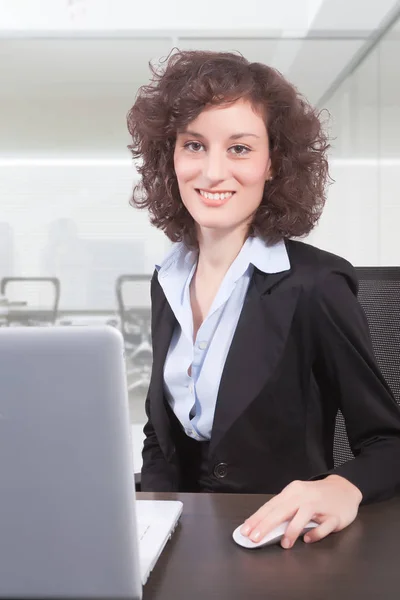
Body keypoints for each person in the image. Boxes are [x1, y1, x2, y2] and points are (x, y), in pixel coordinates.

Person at [127, 50, 400, 549]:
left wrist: (344, 487)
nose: (212, 172)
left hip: (280, 546)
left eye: (239, 149)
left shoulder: (314, 286)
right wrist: (150, 523)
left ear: (273, 164)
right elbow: (160, 433)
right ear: (171, 156)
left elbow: (389, 444)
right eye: (194, 145)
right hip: (179, 539)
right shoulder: (167, 279)